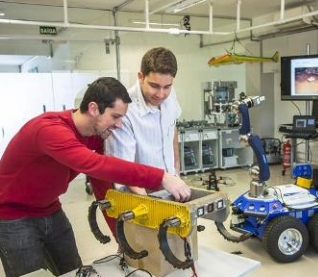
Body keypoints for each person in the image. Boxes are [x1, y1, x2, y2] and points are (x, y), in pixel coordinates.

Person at [0, 77, 191, 277]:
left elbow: (102, 185)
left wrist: (121, 238)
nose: (118, 125)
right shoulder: (50, 130)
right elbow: (99, 165)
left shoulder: (95, 135)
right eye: (115, 116)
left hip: (51, 209)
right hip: (13, 216)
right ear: (93, 109)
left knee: (73, 271)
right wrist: (161, 177)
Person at [105, 47, 182, 195]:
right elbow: (123, 169)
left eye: (167, 87)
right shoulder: (125, 109)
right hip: (141, 195)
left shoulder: (170, 96)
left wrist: (176, 173)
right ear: (141, 76)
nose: (161, 94)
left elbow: (172, 129)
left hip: (169, 188)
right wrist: (150, 206)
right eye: (154, 86)